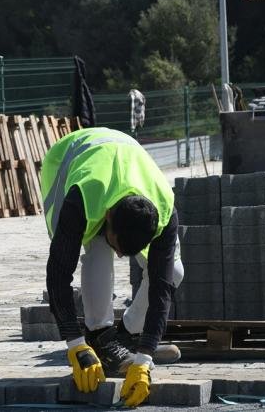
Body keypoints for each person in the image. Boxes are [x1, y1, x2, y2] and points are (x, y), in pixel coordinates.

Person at [42, 127, 184, 407]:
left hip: (124, 162)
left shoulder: (164, 208)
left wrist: (144, 358)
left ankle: (125, 338)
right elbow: (58, 274)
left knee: (174, 272)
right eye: (119, 246)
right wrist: (74, 343)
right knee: (98, 249)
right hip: (68, 160)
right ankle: (98, 337)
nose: (122, 257)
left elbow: (161, 287)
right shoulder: (83, 197)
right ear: (108, 217)